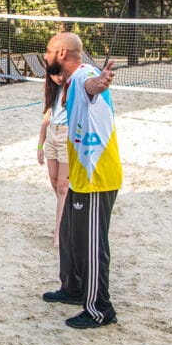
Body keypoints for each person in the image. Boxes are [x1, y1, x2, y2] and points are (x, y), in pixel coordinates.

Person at [41, 32, 122, 329]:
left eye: (49, 50)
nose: (45, 55)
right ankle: (73, 288)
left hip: (97, 177)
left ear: (62, 54)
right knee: (71, 236)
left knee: (92, 244)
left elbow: (92, 85)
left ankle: (100, 308)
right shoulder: (70, 81)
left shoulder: (84, 75)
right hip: (81, 176)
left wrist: (99, 84)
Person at [37, 73, 69, 248]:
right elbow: (46, 118)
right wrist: (40, 145)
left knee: (63, 187)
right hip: (52, 134)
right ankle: (67, 217)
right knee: (55, 182)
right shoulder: (53, 89)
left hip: (67, 134)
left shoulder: (73, 88)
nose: (58, 76)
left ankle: (60, 231)